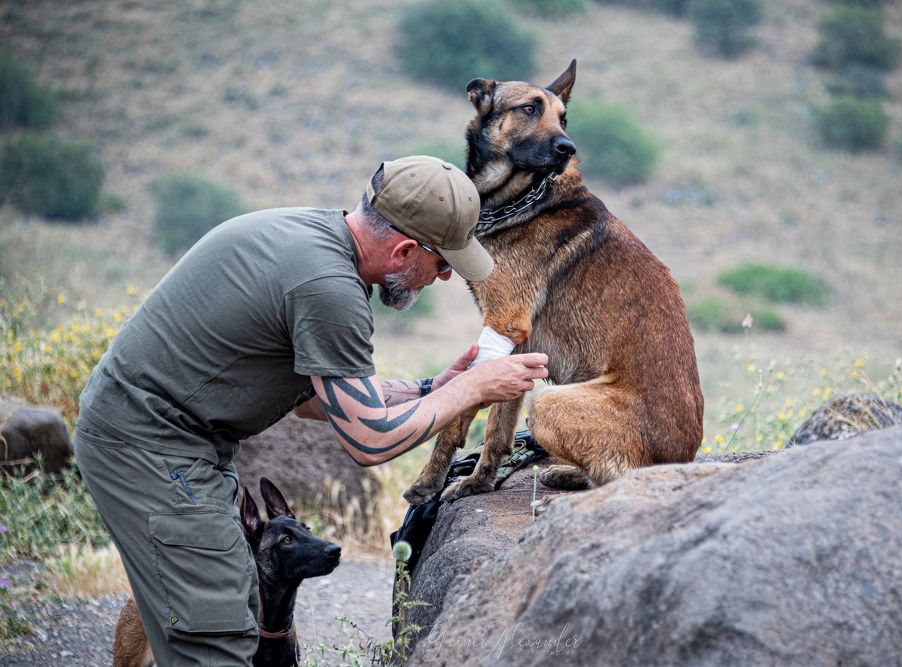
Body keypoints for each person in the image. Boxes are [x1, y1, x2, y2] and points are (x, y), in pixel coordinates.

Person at [74, 155, 548, 666]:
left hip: (169, 442)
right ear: (405, 249)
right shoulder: (328, 288)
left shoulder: (316, 239)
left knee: (235, 604)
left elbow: (323, 404)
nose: (447, 277)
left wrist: (438, 385)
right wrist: (476, 389)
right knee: (215, 633)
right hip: (149, 447)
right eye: (442, 263)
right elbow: (370, 440)